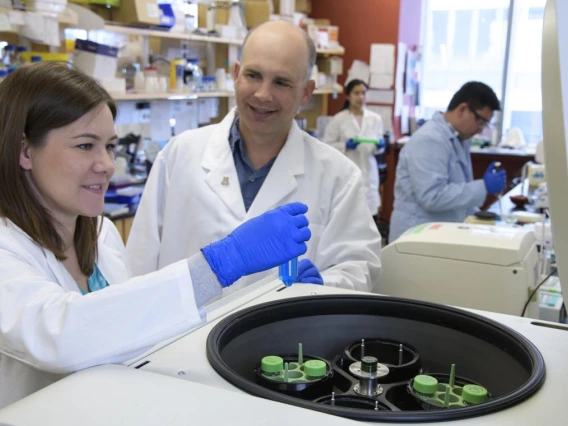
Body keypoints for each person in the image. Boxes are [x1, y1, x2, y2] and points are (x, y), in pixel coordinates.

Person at [0, 62, 312, 408]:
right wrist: (219, 264)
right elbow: (62, 335)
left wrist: (263, 298)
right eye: (85, 146)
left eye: (109, 146)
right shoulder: (6, 249)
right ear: (24, 151)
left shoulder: (99, 233)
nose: (105, 164)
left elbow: (136, 327)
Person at [126, 21, 382, 293]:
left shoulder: (338, 176)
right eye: (253, 75)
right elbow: (137, 266)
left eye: (281, 82)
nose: (263, 94)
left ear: (306, 92)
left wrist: (321, 285)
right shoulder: (180, 155)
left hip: (281, 331)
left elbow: (358, 267)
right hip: (182, 334)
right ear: (236, 75)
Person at [389, 81, 507, 242]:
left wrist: (481, 216)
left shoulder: (459, 138)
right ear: (463, 109)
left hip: (437, 234)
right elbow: (432, 197)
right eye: (480, 122)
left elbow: (458, 187)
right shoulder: (430, 139)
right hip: (417, 237)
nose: (480, 130)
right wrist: (483, 187)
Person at [323, 79, 384, 220]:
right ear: (348, 96)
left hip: (369, 173)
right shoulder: (338, 119)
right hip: (347, 173)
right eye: (356, 93)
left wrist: (380, 147)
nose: (360, 97)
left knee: (370, 218)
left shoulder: (375, 119)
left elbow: (376, 149)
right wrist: (344, 146)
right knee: (349, 218)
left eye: (363, 93)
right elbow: (326, 146)